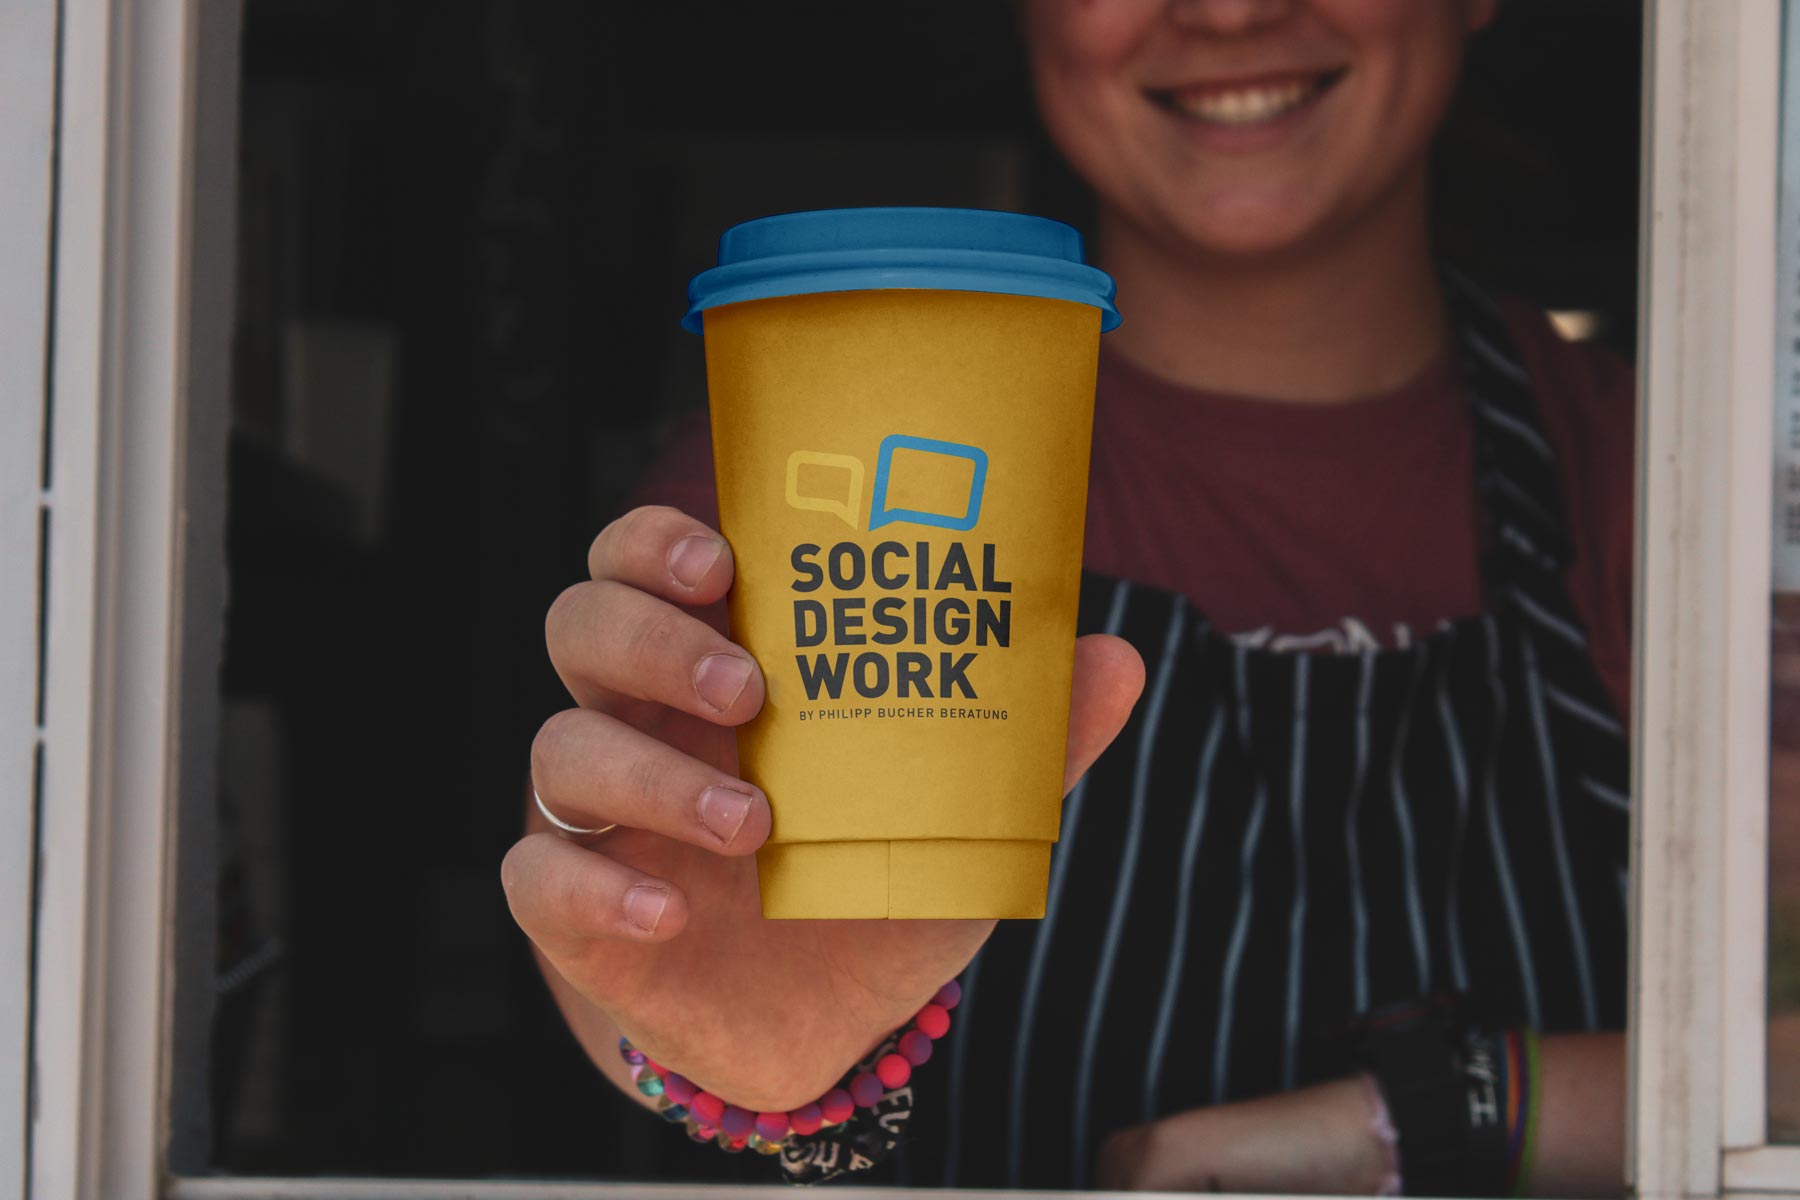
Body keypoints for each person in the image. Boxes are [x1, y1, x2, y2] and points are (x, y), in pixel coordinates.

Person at [503, 0, 1635, 1192]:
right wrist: (717, 1050)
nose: (1230, 11)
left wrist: (1426, 1117)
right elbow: (650, 954)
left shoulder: (1659, 477)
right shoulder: (807, 452)